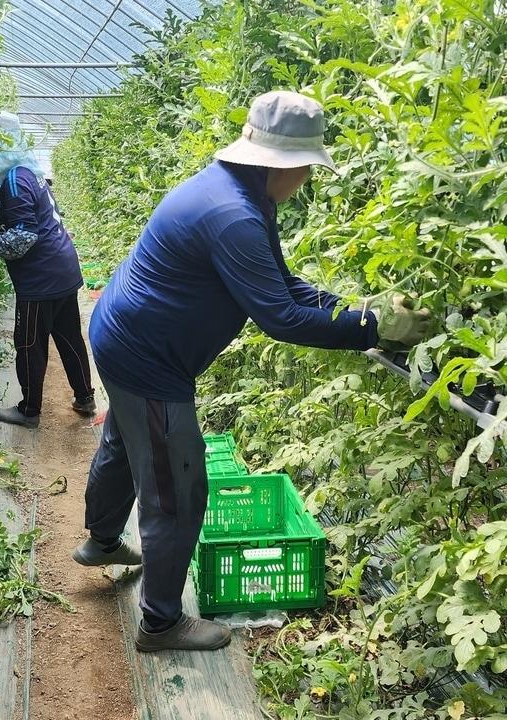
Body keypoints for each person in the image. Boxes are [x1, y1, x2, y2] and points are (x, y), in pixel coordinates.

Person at [74, 91, 433, 652]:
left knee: (125, 443)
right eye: (307, 169)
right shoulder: (233, 215)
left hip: (124, 336)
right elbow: (282, 317)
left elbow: (282, 283)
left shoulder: (239, 193)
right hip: (146, 358)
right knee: (177, 488)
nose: (308, 181)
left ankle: (101, 541)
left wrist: (360, 309)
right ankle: (161, 624)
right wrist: (373, 331)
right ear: (284, 164)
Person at [0, 132, 96, 427]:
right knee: (69, 336)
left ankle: (29, 411)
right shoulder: (29, 174)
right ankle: (85, 398)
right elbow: (27, 225)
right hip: (62, 269)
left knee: (29, 343)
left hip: (40, 279)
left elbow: (24, 236)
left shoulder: (14, 182)